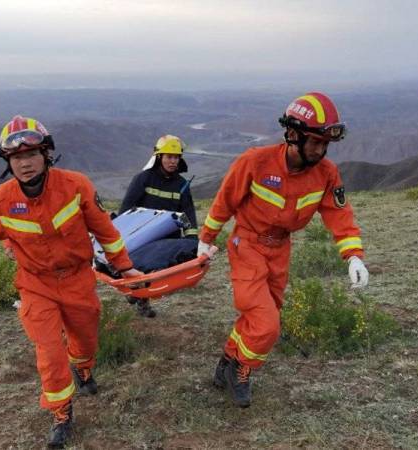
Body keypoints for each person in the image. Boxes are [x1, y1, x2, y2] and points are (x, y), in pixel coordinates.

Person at [0, 115, 142, 448]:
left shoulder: (76, 185)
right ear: (7, 162)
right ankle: (61, 411)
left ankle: (83, 369)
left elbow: (105, 230)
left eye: (31, 155)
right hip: (35, 285)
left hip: (78, 280)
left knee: (84, 339)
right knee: (49, 351)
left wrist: (125, 268)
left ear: (46, 155)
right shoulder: (1, 201)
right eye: (16, 158)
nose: (24, 163)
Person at [197, 92, 369, 408]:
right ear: (292, 135)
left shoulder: (327, 173)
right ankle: (242, 370)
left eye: (324, 143)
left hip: (280, 251)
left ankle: (226, 362)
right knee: (266, 324)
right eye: (315, 141)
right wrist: (206, 239)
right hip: (246, 245)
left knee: (259, 317)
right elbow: (224, 202)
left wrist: (353, 255)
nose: (321, 149)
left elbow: (338, 214)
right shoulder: (254, 162)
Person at [118, 134, 199, 318]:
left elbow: (189, 213)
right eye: (169, 157)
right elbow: (126, 209)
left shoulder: (182, 185)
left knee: (155, 271)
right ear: (159, 157)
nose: (173, 161)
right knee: (140, 268)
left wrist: (192, 239)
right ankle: (139, 298)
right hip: (142, 235)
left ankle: (139, 295)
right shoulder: (143, 179)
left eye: (177, 157)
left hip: (167, 237)